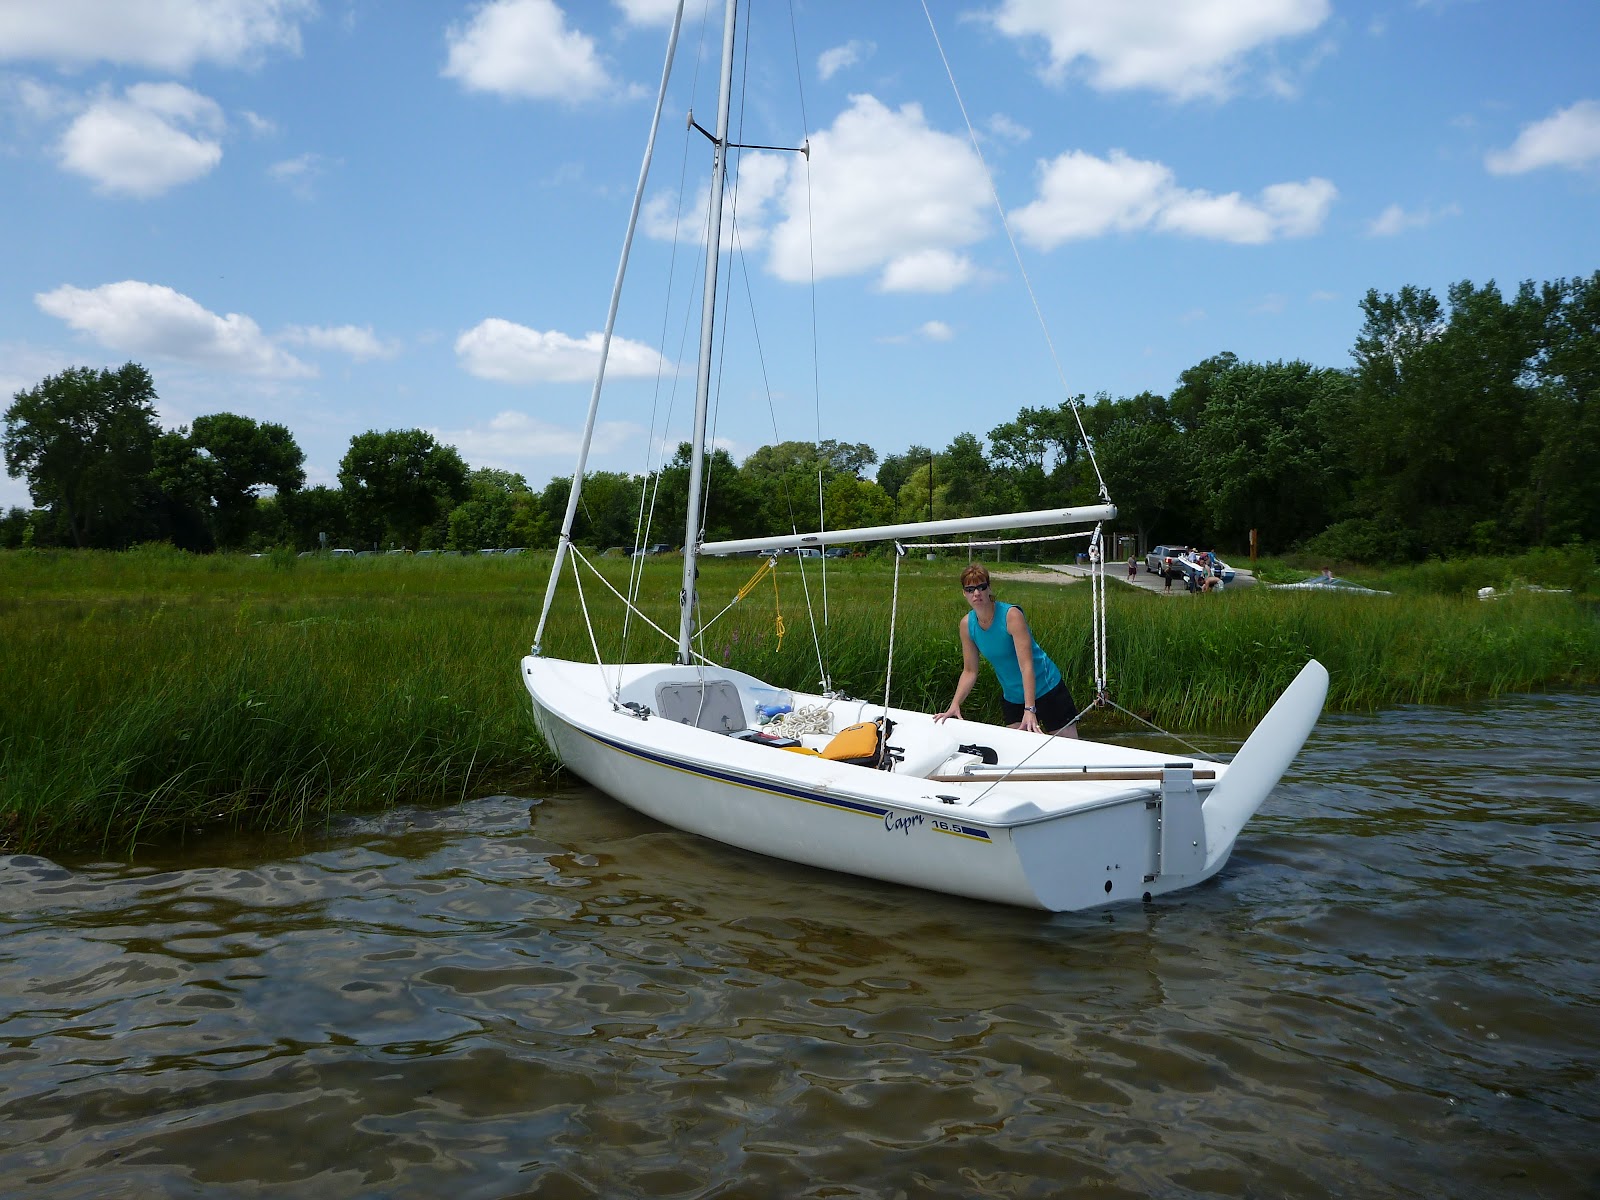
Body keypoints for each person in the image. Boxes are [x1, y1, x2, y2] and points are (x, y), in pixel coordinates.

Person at [933, 564, 1079, 738]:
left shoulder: (1011, 616)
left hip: (1047, 688)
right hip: (1013, 696)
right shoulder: (967, 625)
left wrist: (1030, 708)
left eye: (981, 587)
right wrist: (955, 704)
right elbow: (970, 671)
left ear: (989, 588)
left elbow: (1026, 666)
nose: (977, 593)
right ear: (964, 593)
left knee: (1068, 745)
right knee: (1017, 748)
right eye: (970, 589)